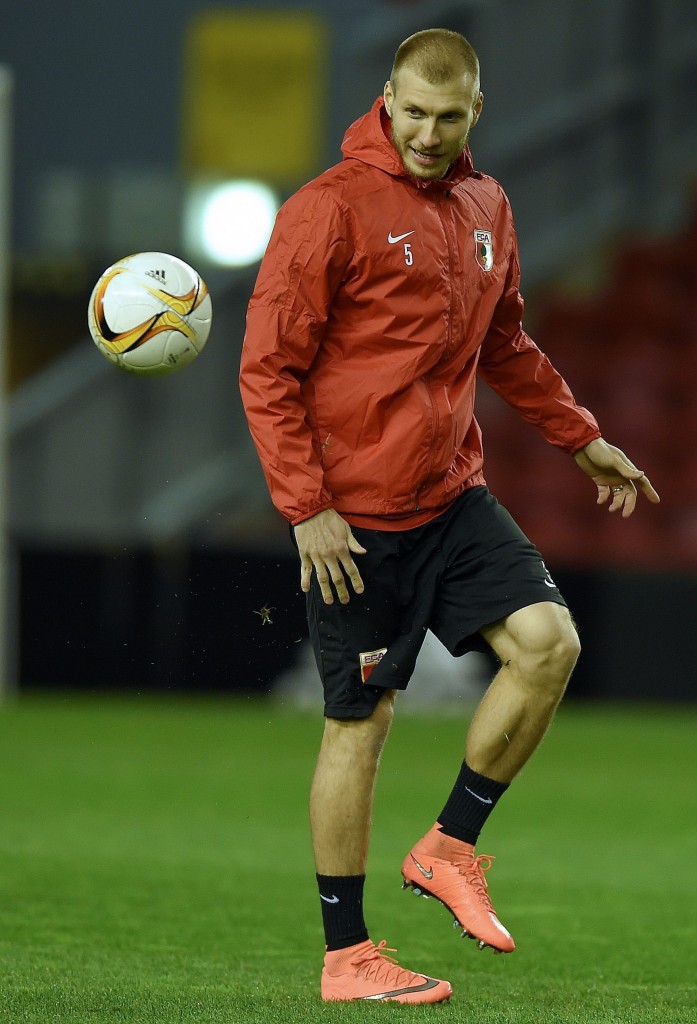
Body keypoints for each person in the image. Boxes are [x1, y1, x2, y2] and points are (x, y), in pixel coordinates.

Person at [239, 28, 660, 1004]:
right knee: (359, 725)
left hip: (452, 498)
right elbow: (269, 370)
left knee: (549, 645)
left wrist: (579, 434)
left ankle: (448, 844)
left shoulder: (485, 205)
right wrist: (305, 508)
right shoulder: (328, 211)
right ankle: (348, 956)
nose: (427, 133)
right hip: (356, 521)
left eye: (448, 114)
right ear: (386, 101)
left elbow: (504, 341)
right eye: (412, 112)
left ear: (478, 109)